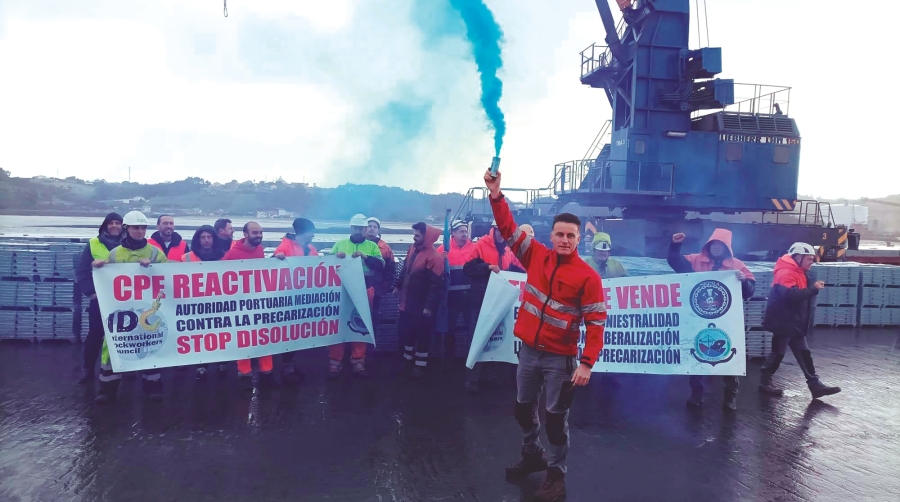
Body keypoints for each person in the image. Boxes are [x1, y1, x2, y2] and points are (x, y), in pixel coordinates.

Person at [485, 170, 607, 502]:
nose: (564, 240)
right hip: (528, 352)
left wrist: (586, 364)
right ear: (550, 236)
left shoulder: (588, 277)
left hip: (560, 360)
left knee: (555, 421)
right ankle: (532, 454)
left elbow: (596, 324)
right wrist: (496, 195)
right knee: (523, 410)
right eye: (559, 234)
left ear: (578, 238)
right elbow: (508, 229)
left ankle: (556, 477)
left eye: (570, 235)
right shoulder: (535, 255)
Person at [667, 229, 755, 411]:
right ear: (708, 246)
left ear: (726, 248)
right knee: (697, 355)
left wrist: (744, 281)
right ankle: (696, 393)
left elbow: (749, 291)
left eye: (720, 245)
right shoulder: (696, 260)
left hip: (726, 319)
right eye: (713, 244)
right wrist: (675, 245)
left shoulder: (737, 265)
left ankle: (730, 396)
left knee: (730, 357)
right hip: (699, 317)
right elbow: (675, 262)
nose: (716, 248)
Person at [91, 211, 168, 404]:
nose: (140, 231)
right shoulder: (116, 253)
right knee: (112, 346)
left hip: (146, 309)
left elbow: (168, 275)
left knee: (149, 343)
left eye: (143, 227)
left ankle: (153, 388)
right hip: (121, 310)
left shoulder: (154, 253)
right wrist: (99, 266)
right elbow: (107, 280)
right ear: (127, 229)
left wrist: (153, 268)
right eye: (136, 227)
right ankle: (107, 390)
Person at [759, 243, 841, 399]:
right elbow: (791, 296)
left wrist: (812, 288)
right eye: (809, 258)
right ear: (798, 257)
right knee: (778, 353)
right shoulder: (785, 273)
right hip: (783, 322)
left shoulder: (799, 272)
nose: (812, 262)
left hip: (794, 322)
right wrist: (813, 289)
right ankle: (765, 381)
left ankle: (815, 385)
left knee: (804, 354)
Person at [463, 224, 524, 393]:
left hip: (499, 303)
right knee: (478, 340)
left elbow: (521, 266)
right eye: (500, 231)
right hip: (481, 302)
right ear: (494, 230)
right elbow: (467, 269)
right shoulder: (481, 245)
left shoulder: (508, 250)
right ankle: (472, 379)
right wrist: (487, 267)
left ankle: (491, 376)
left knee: (497, 339)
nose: (502, 235)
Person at [328, 214, 385, 379]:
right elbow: (325, 265)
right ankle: (335, 361)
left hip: (364, 289)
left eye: (361, 228)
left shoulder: (372, 246)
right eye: (356, 228)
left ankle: (358, 361)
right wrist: (334, 257)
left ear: (366, 229)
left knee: (361, 325)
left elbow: (381, 265)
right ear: (351, 228)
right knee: (337, 325)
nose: (359, 231)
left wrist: (366, 257)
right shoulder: (340, 244)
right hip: (342, 290)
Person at [223, 222, 278, 390]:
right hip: (240, 304)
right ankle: (244, 372)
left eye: (261, 232)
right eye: (255, 232)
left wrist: (277, 260)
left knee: (264, 334)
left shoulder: (260, 250)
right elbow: (219, 276)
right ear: (245, 234)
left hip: (260, 302)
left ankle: (267, 370)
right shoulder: (232, 254)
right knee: (244, 337)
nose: (259, 235)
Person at [74, 212, 123, 384]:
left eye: (118, 223)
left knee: (125, 336)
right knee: (95, 336)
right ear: (105, 226)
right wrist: (91, 293)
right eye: (111, 223)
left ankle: (126, 369)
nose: (115, 226)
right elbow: (82, 271)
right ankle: (88, 369)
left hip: (125, 301)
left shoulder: (129, 245)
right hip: (100, 301)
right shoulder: (93, 244)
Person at [394, 221, 444, 379]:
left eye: (417, 234)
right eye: (414, 234)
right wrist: (397, 286)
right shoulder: (412, 250)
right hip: (408, 302)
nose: (414, 237)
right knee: (407, 334)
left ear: (426, 237)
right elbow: (404, 272)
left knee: (423, 337)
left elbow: (436, 286)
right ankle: (407, 361)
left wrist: (428, 307)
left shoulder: (435, 258)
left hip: (423, 306)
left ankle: (420, 366)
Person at [270, 217, 318, 385]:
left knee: (297, 333)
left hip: (304, 298)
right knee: (287, 333)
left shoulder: (312, 250)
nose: (313, 235)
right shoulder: (285, 247)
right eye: (311, 232)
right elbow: (272, 267)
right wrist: (277, 258)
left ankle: (291, 362)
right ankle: (286, 366)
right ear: (304, 232)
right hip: (287, 298)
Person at [182, 225, 228, 380]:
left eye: (209, 237)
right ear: (197, 239)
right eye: (203, 237)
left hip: (219, 302)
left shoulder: (224, 257)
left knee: (220, 334)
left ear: (214, 239)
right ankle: (201, 366)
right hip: (197, 303)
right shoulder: (186, 257)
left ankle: (222, 361)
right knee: (200, 335)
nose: (207, 240)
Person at [435, 220, 475, 362]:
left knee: (473, 328)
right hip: (451, 297)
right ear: (453, 233)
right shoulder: (443, 250)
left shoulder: (474, 249)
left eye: (466, 231)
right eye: (461, 231)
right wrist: (440, 260)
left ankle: (472, 358)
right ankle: (450, 357)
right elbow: (436, 270)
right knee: (449, 328)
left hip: (470, 297)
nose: (464, 234)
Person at [366, 217, 397, 337]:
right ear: (364, 228)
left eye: (375, 227)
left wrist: (384, 288)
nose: (372, 229)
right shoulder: (358, 245)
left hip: (377, 290)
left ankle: (370, 346)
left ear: (378, 230)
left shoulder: (385, 248)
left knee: (374, 317)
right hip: (358, 289)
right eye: (369, 226)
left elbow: (391, 271)